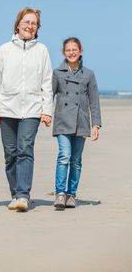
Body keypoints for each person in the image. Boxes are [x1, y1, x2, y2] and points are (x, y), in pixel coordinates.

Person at [0, 7, 53, 212]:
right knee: (10, 153)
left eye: (34, 23)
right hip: (7, 108)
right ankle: (15, 194)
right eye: (27, 22)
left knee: (25, 150)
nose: (30, 26)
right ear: (18, 25)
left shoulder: (42, 50)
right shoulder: (4, 49)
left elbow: (48, 82)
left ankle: (23, 196)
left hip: (33, 110)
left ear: (37, 28)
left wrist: (47, 109)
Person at [52, 37, 101, 209]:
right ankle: (59, 193)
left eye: (74, 49)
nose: (71, 52)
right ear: (63, 53)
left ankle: (71, 195)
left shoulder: (89, 74)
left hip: (81, 121)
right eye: (68, 50)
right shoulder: (57, 72)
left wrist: (96, 124)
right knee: (64, 156)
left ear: (81, 51)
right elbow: (48, 95)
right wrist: (44, 114)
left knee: (76, 160)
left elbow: (94, 100)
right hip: (62, 120)